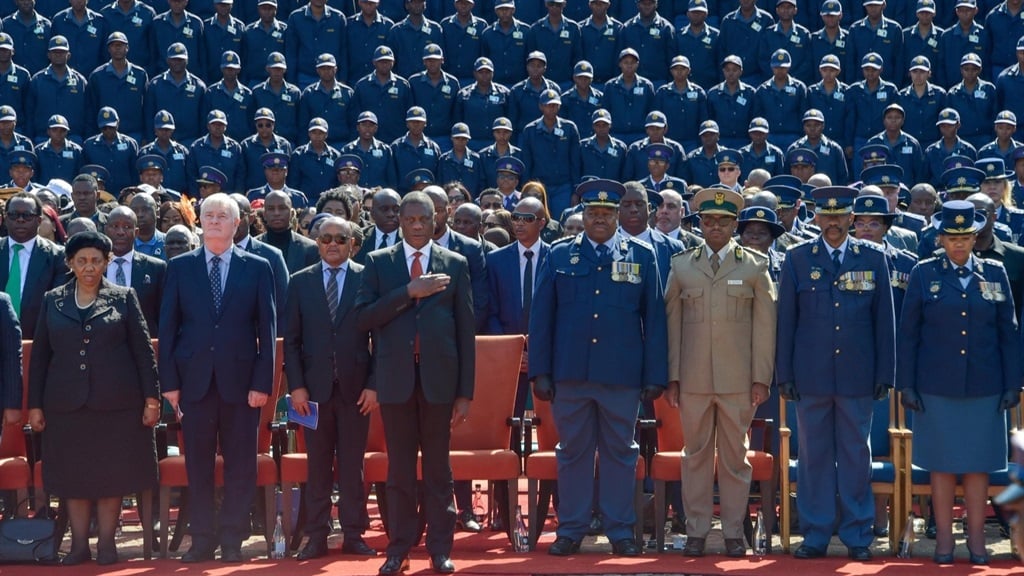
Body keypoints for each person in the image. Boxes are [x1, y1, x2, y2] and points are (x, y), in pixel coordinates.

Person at [529, 178, 667, 557]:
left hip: (621, 375)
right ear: (583, 215)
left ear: (619, 214)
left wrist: (655, 375)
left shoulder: (641, 255)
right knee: (572, 451)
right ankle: (570, 529)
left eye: (608, 213)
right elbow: (542, 318)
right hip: (570, 375)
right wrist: (540, 371)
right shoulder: (558, 255)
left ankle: (620, 529)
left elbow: (654, 320)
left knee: (620, 452)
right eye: (593, 213)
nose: (600, 219)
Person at [354, 191, 475, 575]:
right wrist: (408, 292)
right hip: (396, 382)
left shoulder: (455, 264)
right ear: (400, 222)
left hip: (440, 383)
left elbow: (465, 333)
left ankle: (440, 550)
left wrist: (465, 393)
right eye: (411, 220)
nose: (418, 225)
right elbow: (363, 319)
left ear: (437, 218)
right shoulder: (378, 263)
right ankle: (399, 548)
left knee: (439, 471)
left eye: (425, 218)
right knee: (400, 471)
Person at [775, 185, 896, 561]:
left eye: (840, 216)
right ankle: (815, 533)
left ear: (852, 219)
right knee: (813, 456)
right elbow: (786, 324)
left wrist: (885, 373)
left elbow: (884, 323)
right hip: (811, 376)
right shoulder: (796, 259)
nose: (832, 223)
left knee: (857, 455)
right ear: (815, 217)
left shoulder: (873, 258)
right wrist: (786, 374)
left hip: (858, 376)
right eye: (825, 215)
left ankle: (858, 535)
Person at [897, 200, 1021, 566]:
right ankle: (945, 543)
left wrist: (1013, 383)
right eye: (952, 237)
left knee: (978, 465)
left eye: (965, 236)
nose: (959, 244)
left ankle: (978, 542)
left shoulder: (995, 273)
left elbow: (1009, 334)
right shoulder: (923, 273)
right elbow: (908, 336)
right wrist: (907, 385)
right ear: (940, 238)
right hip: (936, 385)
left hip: (985, 385)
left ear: (975, 236)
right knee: (942, 464)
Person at [28, 231, 159, 566]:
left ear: (106, 262)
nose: (89, 267)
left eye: (96, 261)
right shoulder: (52, 300)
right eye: (82, 260)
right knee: (74, 476)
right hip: (65, 406)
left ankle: (106, 545)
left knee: (111, 474)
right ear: (70, 263)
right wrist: (36, 405)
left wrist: (151, 400)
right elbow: (40, 357)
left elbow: (144, 354)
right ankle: (78, 547)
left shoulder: (124, 297)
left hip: (116, 406)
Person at [158, 193, 277, 563]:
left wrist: (262, 384)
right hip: (193, 383)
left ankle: (232, 539)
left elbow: (268, 330)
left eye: (221, 216)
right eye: (208, 215)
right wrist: (170, 384)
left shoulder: (258, 267)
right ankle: (203, 538)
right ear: (199, 222)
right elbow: (168, 327)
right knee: (198, 464)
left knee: (241, 464)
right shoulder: (180, 267)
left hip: (242, 385)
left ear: (236, 223)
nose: (213, 221)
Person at [665, 187, 776, 558]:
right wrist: (673, 377)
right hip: (693, 379)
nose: (715, 227)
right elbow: (672, 325)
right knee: (694, 455)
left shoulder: (755, 266)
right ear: (699, 224)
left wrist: (761, 378)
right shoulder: (681, 265)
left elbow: (765, 327)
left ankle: (733, 533)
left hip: (738, 381)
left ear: (734, 225)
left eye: (723, 221)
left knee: (734, 460)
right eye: (708, 221)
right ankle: (696, 531)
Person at [285, 216, 377, 560]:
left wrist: (374, 385)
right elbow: (291, 342)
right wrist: (297, 388)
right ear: (317, 243)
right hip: (313, 394)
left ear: (353, 243)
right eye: (326, 239)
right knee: (318, 465)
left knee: (353, 465)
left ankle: (354, 533)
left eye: (341, 238)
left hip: (357, 391)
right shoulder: (300, 282)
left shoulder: (368, 277)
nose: (333, 244)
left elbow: (379, 340)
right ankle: (316, 536)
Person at [0, 191, 69, 339]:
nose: (20, 220)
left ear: (38, 220)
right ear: (5, 219)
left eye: (27, 215)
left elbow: (56, 305)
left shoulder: (57, 256)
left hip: (37, 340)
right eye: (13, 215)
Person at [105, 206, 167, 334]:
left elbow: (163, 314)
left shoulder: (156, 268)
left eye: (127, 227)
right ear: (106, 230)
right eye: (115, 226)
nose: (120, 232)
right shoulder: (95, 266)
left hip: (143, 343)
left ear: (136, 232)